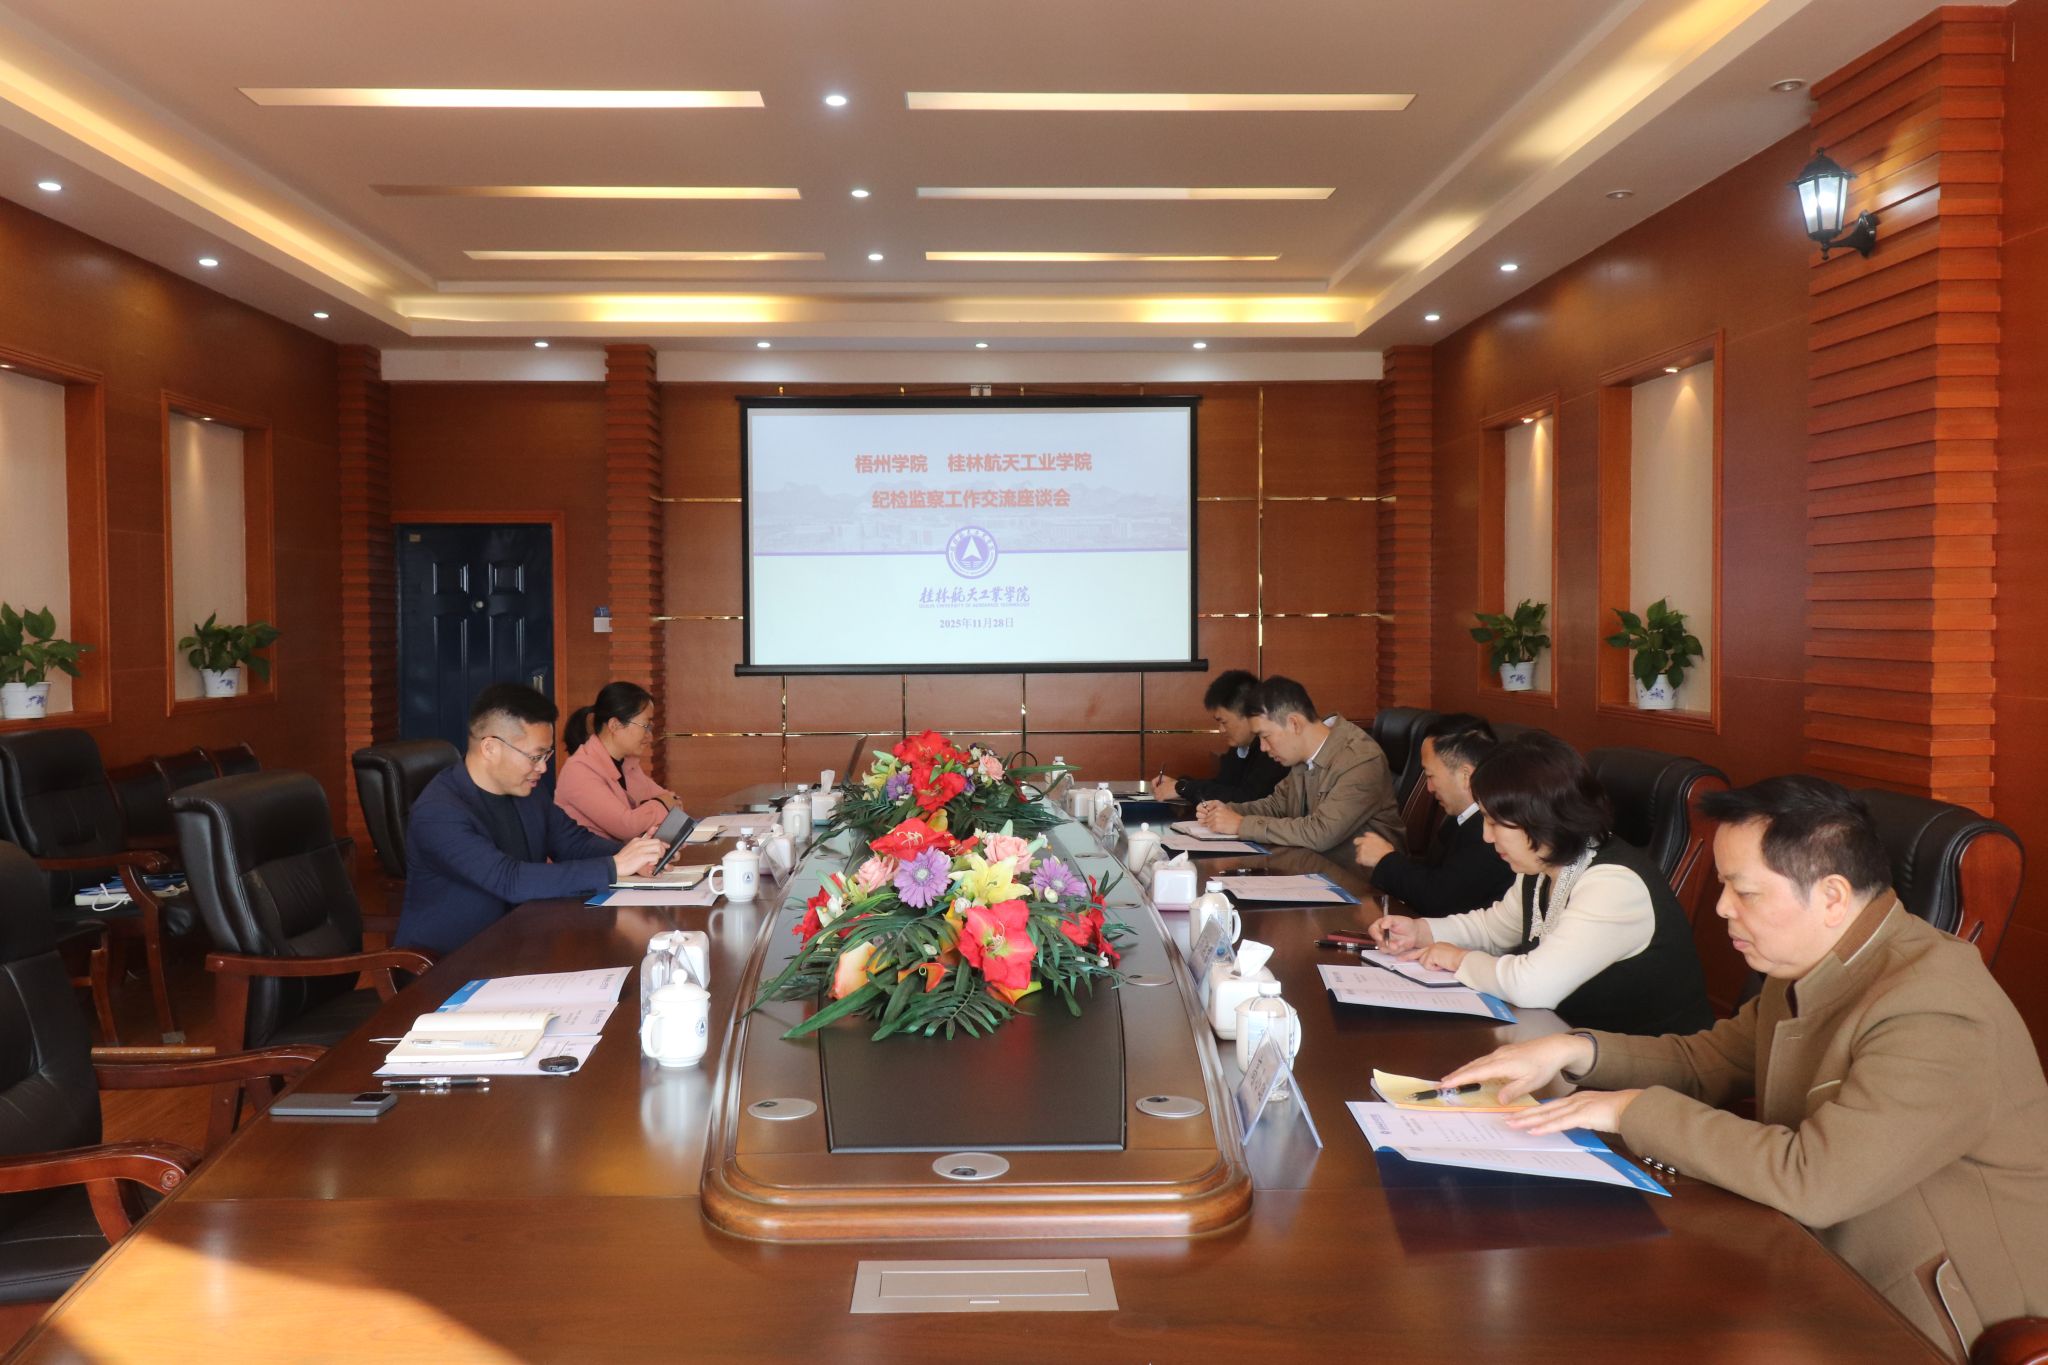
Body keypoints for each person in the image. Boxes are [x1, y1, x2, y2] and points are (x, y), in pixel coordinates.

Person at [1440, 776, 2048, 1362]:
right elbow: (1716, 1058)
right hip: (1816, 1259)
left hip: (1932, 1318)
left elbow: (1816, 1180)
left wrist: (1630, 1110)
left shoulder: (1933, 1006)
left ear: (1832, 896)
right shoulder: (1817, 961)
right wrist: (1576, 1051)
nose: (1722, 907)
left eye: (1745, 891)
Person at [1368, 731, 1712, 1036]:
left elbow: (1531, 986)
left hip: (1642, 1070)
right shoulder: (1542, 864)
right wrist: (1421, 931)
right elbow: (1494, 929)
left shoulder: (1614, 885)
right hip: (1563, 1042)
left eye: (1494, 822)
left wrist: (1459, 960)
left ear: (1536, 818)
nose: (1486, 837)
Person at [397, 684, 665, 954]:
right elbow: (509, 880)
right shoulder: (438, 812)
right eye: (535, 756)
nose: (543, 767)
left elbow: (573, 843)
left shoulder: (526, 791)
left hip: (521, 942)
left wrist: (635, 854)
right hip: (454, 962)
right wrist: (614, 866)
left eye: (546, 755)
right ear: (490, 748)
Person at [1195, 677, 1401, 853]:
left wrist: (1241, 824)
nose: (1263, 747)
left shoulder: (1360, 760)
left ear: (1294, 724)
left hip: (1358, 881)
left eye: (1265, 736)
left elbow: (1321, 833)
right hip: (1313, 868)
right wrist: (1227, 811)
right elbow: (1276, 806)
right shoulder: (1303, 757)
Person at [1351, 713, 1514, 916]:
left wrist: (1385, 859)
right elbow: (1437, 876)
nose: (1429, 788)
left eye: (1430, 776)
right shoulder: (1462, 818)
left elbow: (1440, 899)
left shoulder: (1491, 830)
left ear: (1466, 776)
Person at [555, 681, 682, 839]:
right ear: (615, 725)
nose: (650, 736)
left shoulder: (627, 764)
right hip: (591, 855)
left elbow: (674, 802)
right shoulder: (579, 770)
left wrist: (658, 807)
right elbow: (627, 826)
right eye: (645, 726)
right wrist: (661, 804)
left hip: (622, 854)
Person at [1148, 669, 1286, 804]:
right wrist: (1181, 785)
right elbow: (1222, 786)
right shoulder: (1240, 747)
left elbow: (1247, 798)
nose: (1221, 730)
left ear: (1249, 715)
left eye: (1224, 722)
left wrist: (1184, 788)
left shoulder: (1273, 751)